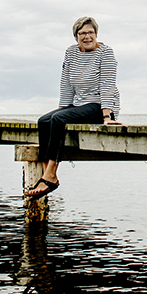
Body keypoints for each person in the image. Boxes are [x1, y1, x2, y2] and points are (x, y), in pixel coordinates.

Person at [26, 16, 122, 198]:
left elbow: (107, 84)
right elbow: (66, 84)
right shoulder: (71, 53)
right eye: (82, 33)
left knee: (59, 119)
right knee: (45, 120)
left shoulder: (106, 53)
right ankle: (47, 174)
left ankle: (50, 175)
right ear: (76, 36)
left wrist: (108, 117)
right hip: (78, 105)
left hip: (100, 106)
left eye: (90, 32)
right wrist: (62, 108)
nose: (87, 36)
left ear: (96, 34)